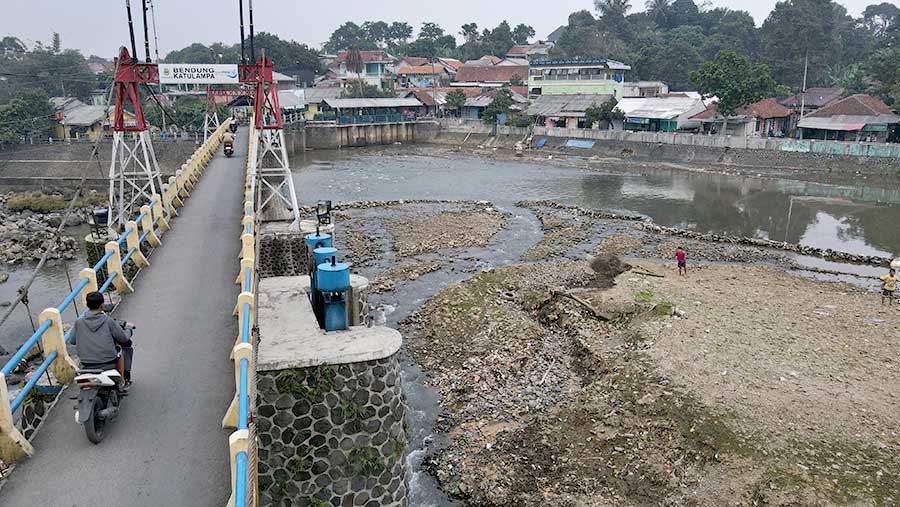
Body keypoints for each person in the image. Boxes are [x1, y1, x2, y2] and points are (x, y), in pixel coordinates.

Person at [70, 291, 135, 386]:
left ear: (87, 305)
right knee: (119, 351)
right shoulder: (108, 321)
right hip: (107, 360)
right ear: (102, 305)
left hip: (85, 361)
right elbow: (123, 338)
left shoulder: (78, 323)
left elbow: (72, 341)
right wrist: (129, 330)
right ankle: (122, 381)